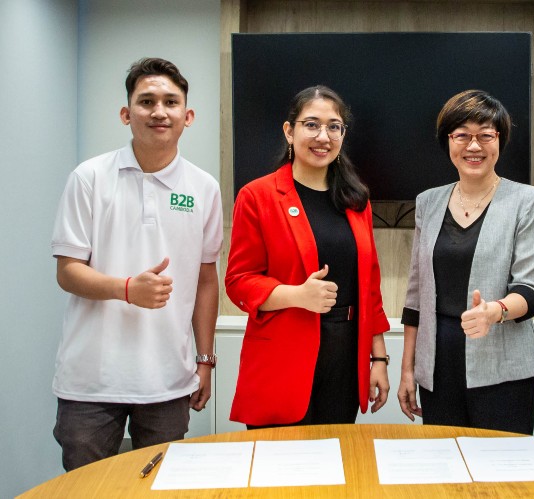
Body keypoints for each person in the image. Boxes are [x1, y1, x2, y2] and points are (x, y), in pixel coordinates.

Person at [50, 57, 223, 471]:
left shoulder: (204, 188)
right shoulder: (89, 177)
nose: (159, 111)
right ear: (127, 113)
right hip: (89, 382)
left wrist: (205, 360)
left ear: (188, 115)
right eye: (146, 101)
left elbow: (205, 280)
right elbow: (67, 271)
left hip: (167, 381)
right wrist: (128, 289)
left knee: (159, 487)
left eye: (170, 101)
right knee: (86, 490)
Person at [226, 86, 390, 427]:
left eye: (334, 127)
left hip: (345, 360)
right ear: (289, 131)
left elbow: (370, 288)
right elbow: (239, 282)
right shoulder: (257, 196)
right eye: (311, 124)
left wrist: (379, 358)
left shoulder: (356, 200)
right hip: (282, 357)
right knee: (281, 473)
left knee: (336, 466)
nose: (323, 136)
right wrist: (297, 295)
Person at [397, 90, 534, 434]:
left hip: (502, 363)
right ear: (448, 141)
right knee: (446, 470)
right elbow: (415, 297)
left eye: (485, 135)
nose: (474, 146)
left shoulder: (526, 200)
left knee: (502, 476)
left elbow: (529, 289)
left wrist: (495, 311)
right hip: (438, 365)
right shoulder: (428, 202)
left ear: (500, 140)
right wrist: (409, 369)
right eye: (462, 135)